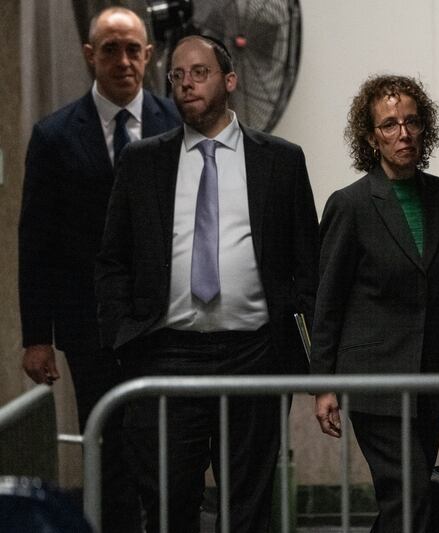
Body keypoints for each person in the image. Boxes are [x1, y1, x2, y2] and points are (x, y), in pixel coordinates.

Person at [94, 35, 319, 533]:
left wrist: (307, 358)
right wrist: (123, 339)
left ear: (230, 80)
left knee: (249, 508)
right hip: (167, 355)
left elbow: (309, 267)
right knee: (170, 503)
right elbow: (113, 260)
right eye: (177, 75)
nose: (186, 83)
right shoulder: (142, 162)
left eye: (200, 72)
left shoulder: (280, 161)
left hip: (255, 357)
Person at [18, 7, 180, 532]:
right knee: (106, 451)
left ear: (149, 55)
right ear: (91, 55)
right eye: (110, 48)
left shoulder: (178, 125)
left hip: (167, 322)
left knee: (167, 453)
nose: (123, 60)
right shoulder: (54, 135)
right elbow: (36, 240)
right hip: (89, 327)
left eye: (133, 49)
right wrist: (36, 337)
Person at [311, 74, 439, 533]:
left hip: (434, 375)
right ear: (371, 138)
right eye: (389, 125)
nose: (403, 133)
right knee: (411, 494)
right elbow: (329, 300)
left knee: (407, 499)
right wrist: (322, 385)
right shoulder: (351, 205)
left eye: (412, 122)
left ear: (425, 128)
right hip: (375, 381)